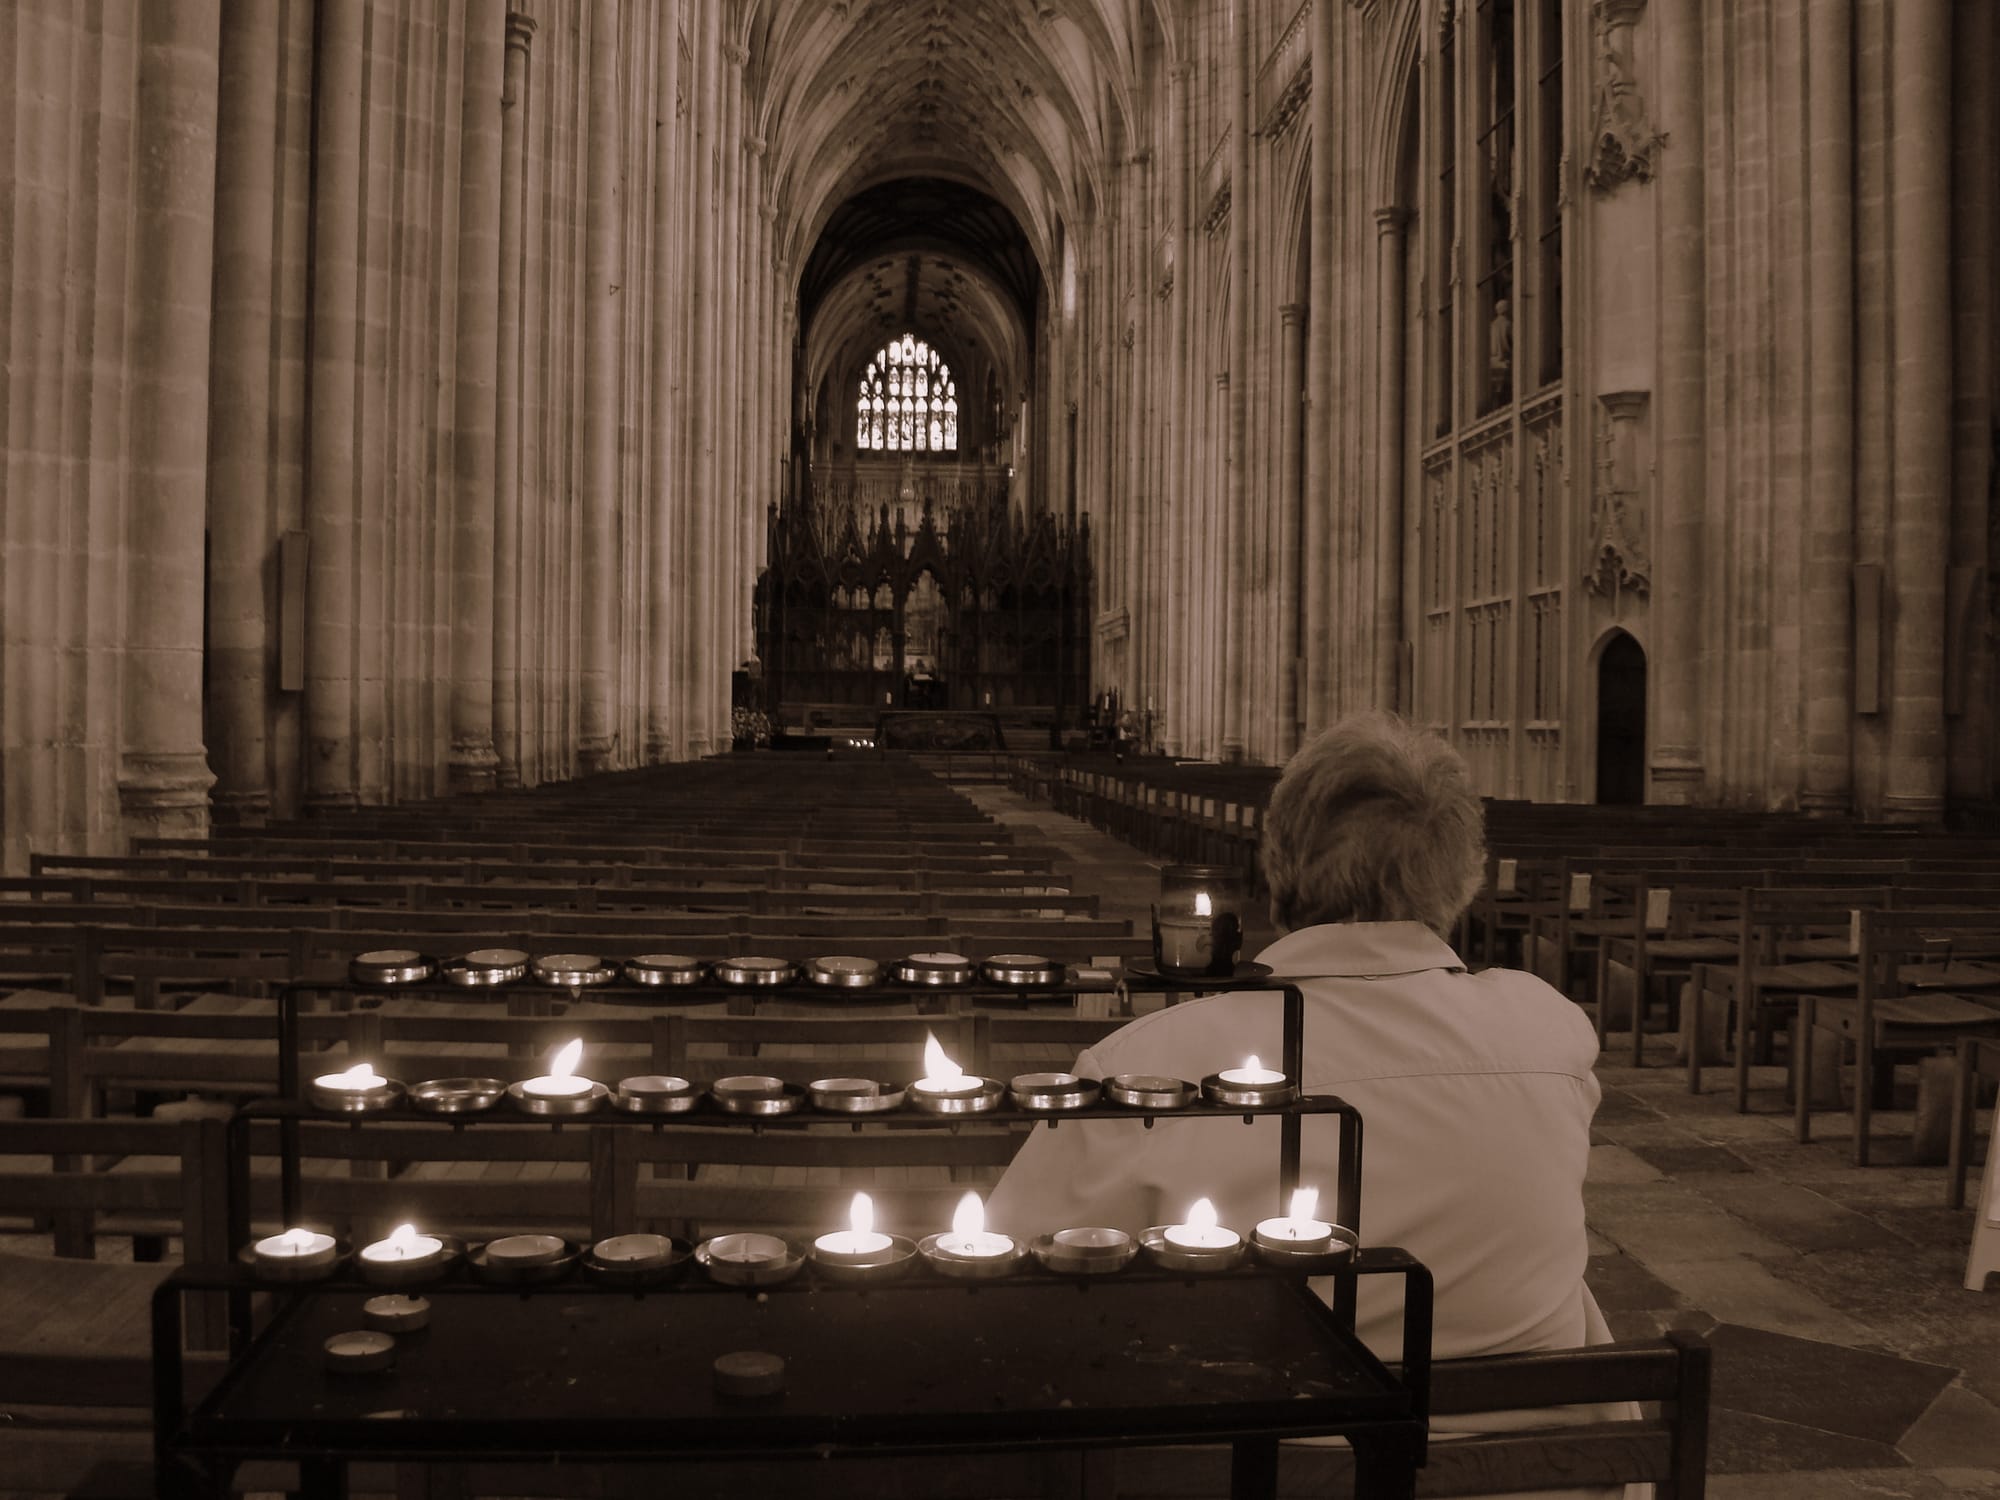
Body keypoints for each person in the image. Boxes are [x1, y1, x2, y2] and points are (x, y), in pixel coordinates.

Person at [986, 712, 1632, 1494]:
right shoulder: (1550, 1032)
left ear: (1278, 868)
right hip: (1534, 1480)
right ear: (1464, 879)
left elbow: (1001, 1295)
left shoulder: (1145, 1070)